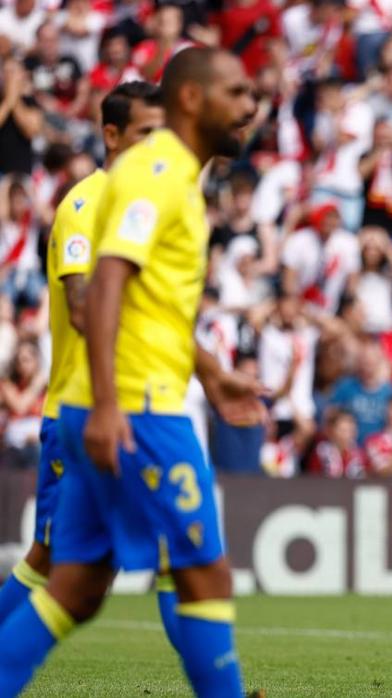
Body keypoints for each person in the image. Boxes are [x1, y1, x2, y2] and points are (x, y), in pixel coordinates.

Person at [0, 49, 261, 697]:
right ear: (194, 100)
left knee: (75, 588)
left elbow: (151, 304)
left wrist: (210, 372)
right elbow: (104, 282)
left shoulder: (173, 176)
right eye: (236, 92)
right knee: (205, 574)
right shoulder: (161, 172)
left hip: (118, 400)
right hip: (137, 408)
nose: (249, 106)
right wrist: (113, 403)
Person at [0, 81, 164, 630]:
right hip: (79, 411)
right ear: (111, 135)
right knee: (52, 560)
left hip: (131, 408)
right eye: (146, 133)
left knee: (167, 551)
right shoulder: (84, 204)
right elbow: (78, 307)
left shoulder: (142, 207)